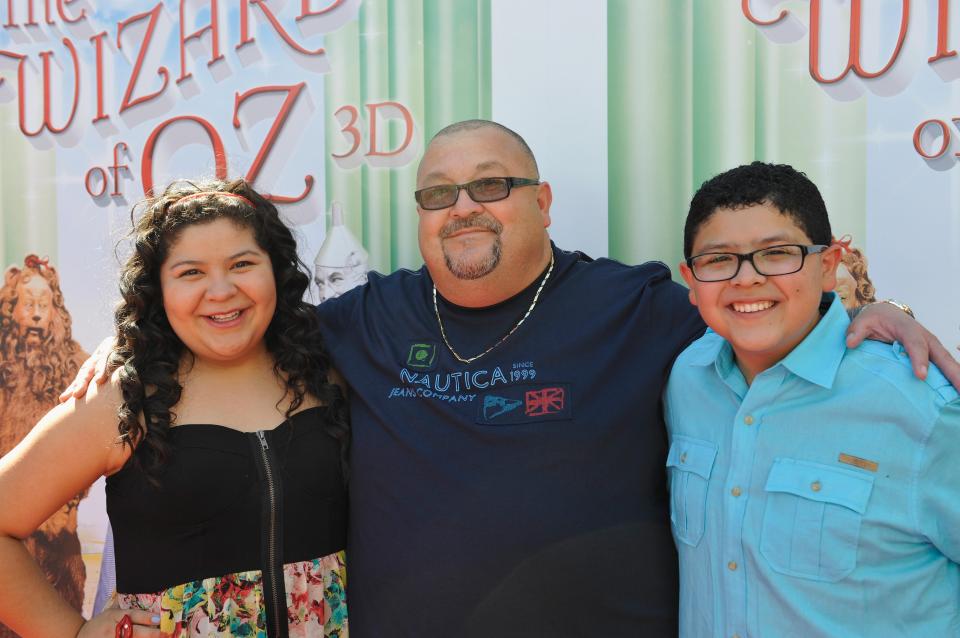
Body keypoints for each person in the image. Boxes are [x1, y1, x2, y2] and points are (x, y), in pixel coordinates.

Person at [65, 121, 960, 637]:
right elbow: (233, 317)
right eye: (438, 192)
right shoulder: (363, 322)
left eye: (491, 186)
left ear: (541, 201)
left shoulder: (637, 304)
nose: (463, 207)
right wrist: (127, 341)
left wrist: (871, 314)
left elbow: (755, 296)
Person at [0, 179, 349, 637]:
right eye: (190, 273)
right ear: (158, 291)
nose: (221, 290)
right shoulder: (121, 398)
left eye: (242, 264)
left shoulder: (329, 372)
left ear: (276, 272)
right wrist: (74, 634)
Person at [667, 162, 960, 637]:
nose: (747, 279)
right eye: (719, 260)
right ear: (691, 280)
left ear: (828, 266)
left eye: (778, 254)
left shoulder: (920, 407)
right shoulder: (686, 379)